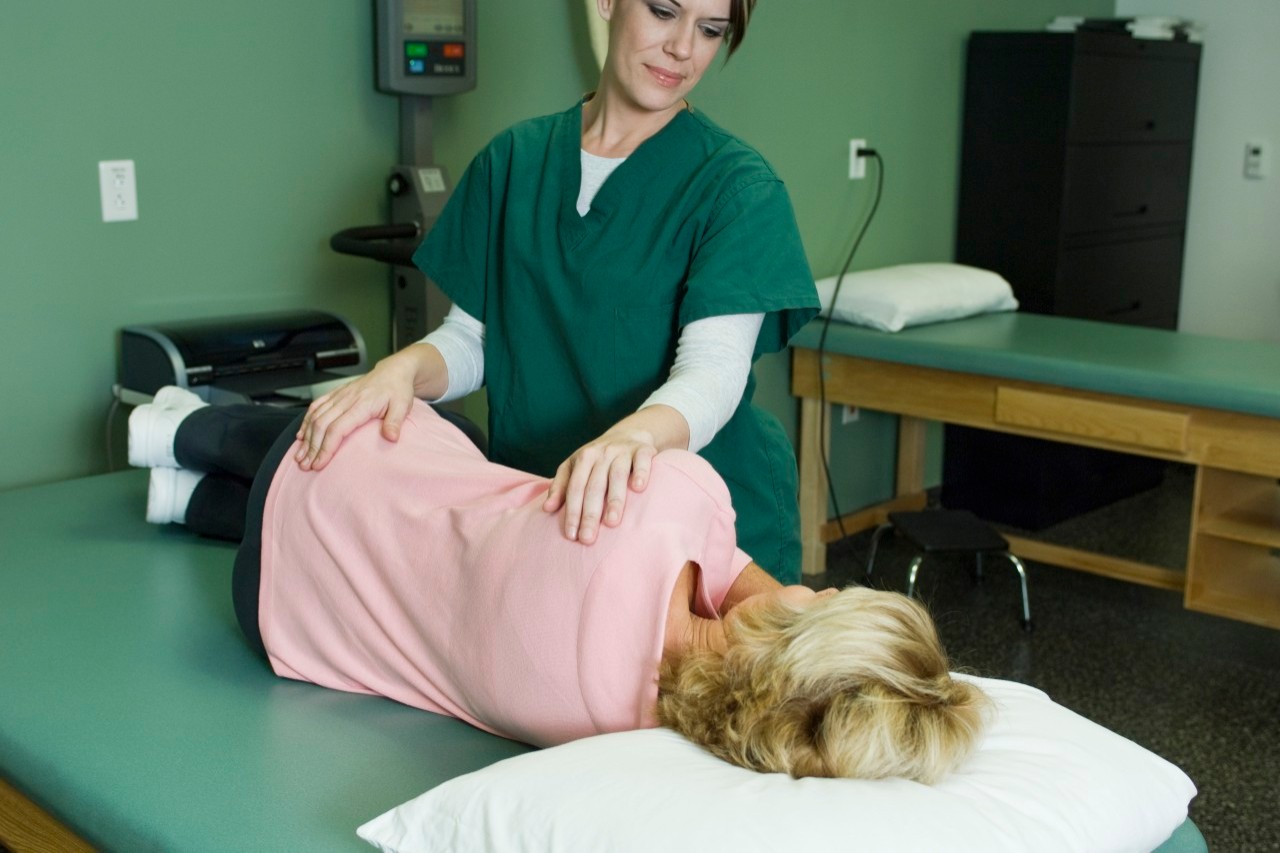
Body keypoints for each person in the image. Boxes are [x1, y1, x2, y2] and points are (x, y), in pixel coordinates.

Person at [128, 387, 989, 783]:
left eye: (827, 598)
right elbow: (731, 619)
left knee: (421, 438)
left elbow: (722, 564)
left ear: (789, 641)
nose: (818, 585)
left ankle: (178, 430)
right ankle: (190, 500)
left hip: (327, 464)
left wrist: (768, 601)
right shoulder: (613, 728)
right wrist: (776, 636)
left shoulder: (673, 500)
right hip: (280, 616)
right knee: (303, 528)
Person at [294, 0, 821, 583]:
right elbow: (474, 341)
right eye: (664, 11)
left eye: (710, 30)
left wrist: (633, 438)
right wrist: (401, 371)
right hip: (546, 512)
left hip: (706, 533)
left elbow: (715, 371)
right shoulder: (513, 161)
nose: (682, 48)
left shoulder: (736, 188)